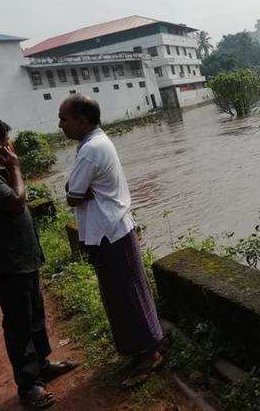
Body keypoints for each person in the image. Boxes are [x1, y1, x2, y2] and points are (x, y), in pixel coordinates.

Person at [0, 118, 76, 409]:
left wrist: (8, 168)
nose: (9, 147)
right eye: (6, 141)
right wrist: (15, 168)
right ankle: (28, 385)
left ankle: (42, 365)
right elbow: (15, 201)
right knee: (18, 321)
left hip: (19, 255)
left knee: (33, 312)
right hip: (6, 259)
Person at [59, 95, 163, 387]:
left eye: (64, 119)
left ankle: (150, 353)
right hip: (109, 231)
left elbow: (72, 195)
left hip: (111, 232)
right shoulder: (93, 144)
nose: (60, 125)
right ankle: (139, 349)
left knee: (127, 295)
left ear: (83, 120)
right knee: (121, 296)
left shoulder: (91, 149)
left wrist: (79, 191)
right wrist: (78, 190)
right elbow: (74, 190)